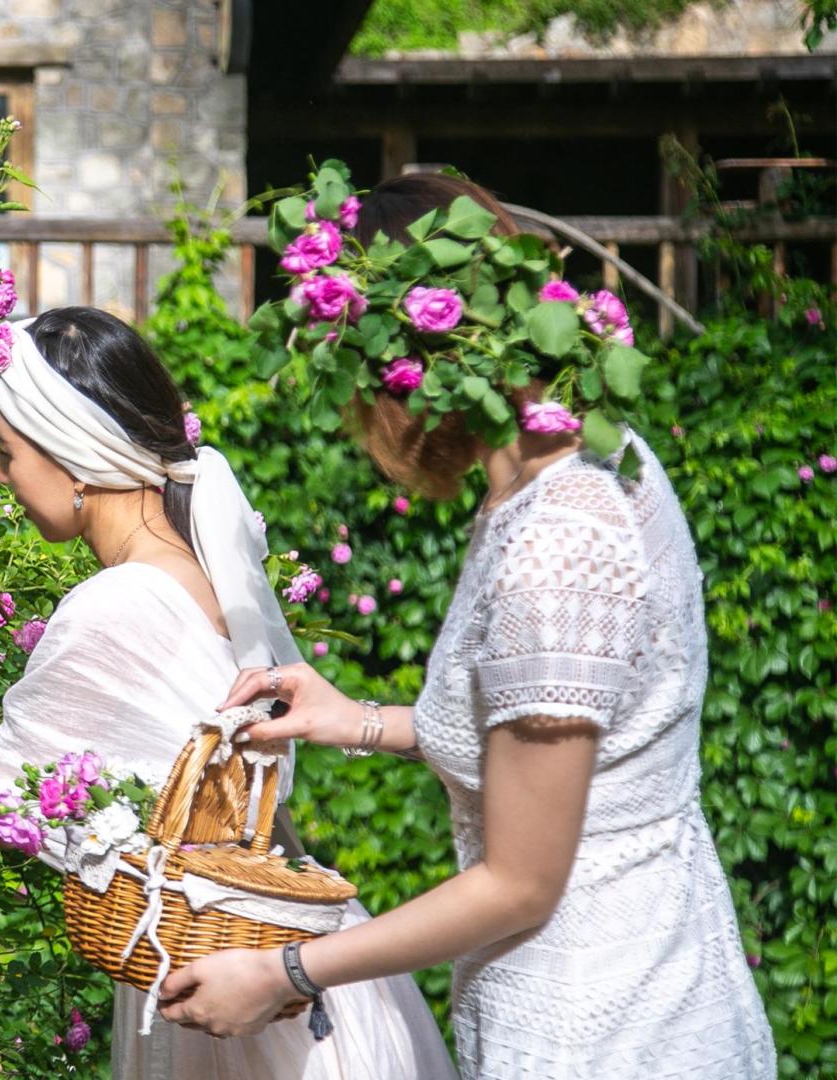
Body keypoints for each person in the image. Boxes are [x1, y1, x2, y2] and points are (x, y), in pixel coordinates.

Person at [153, 174, 776, 1080]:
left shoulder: (558, 542)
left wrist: (286, 970)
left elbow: (522, 880)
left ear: (401, 364)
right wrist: (357, 719)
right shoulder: (586, 460)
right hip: (628, 978)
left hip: (601, 1025)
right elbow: (566, 748)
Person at [0, 306, 457, 1079]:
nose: (1, 477)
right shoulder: (199, 568)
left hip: (237, 999)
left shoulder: (116, 605)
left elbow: (16, 805)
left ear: (74, 456)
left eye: (7, 453)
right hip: (293, 968)